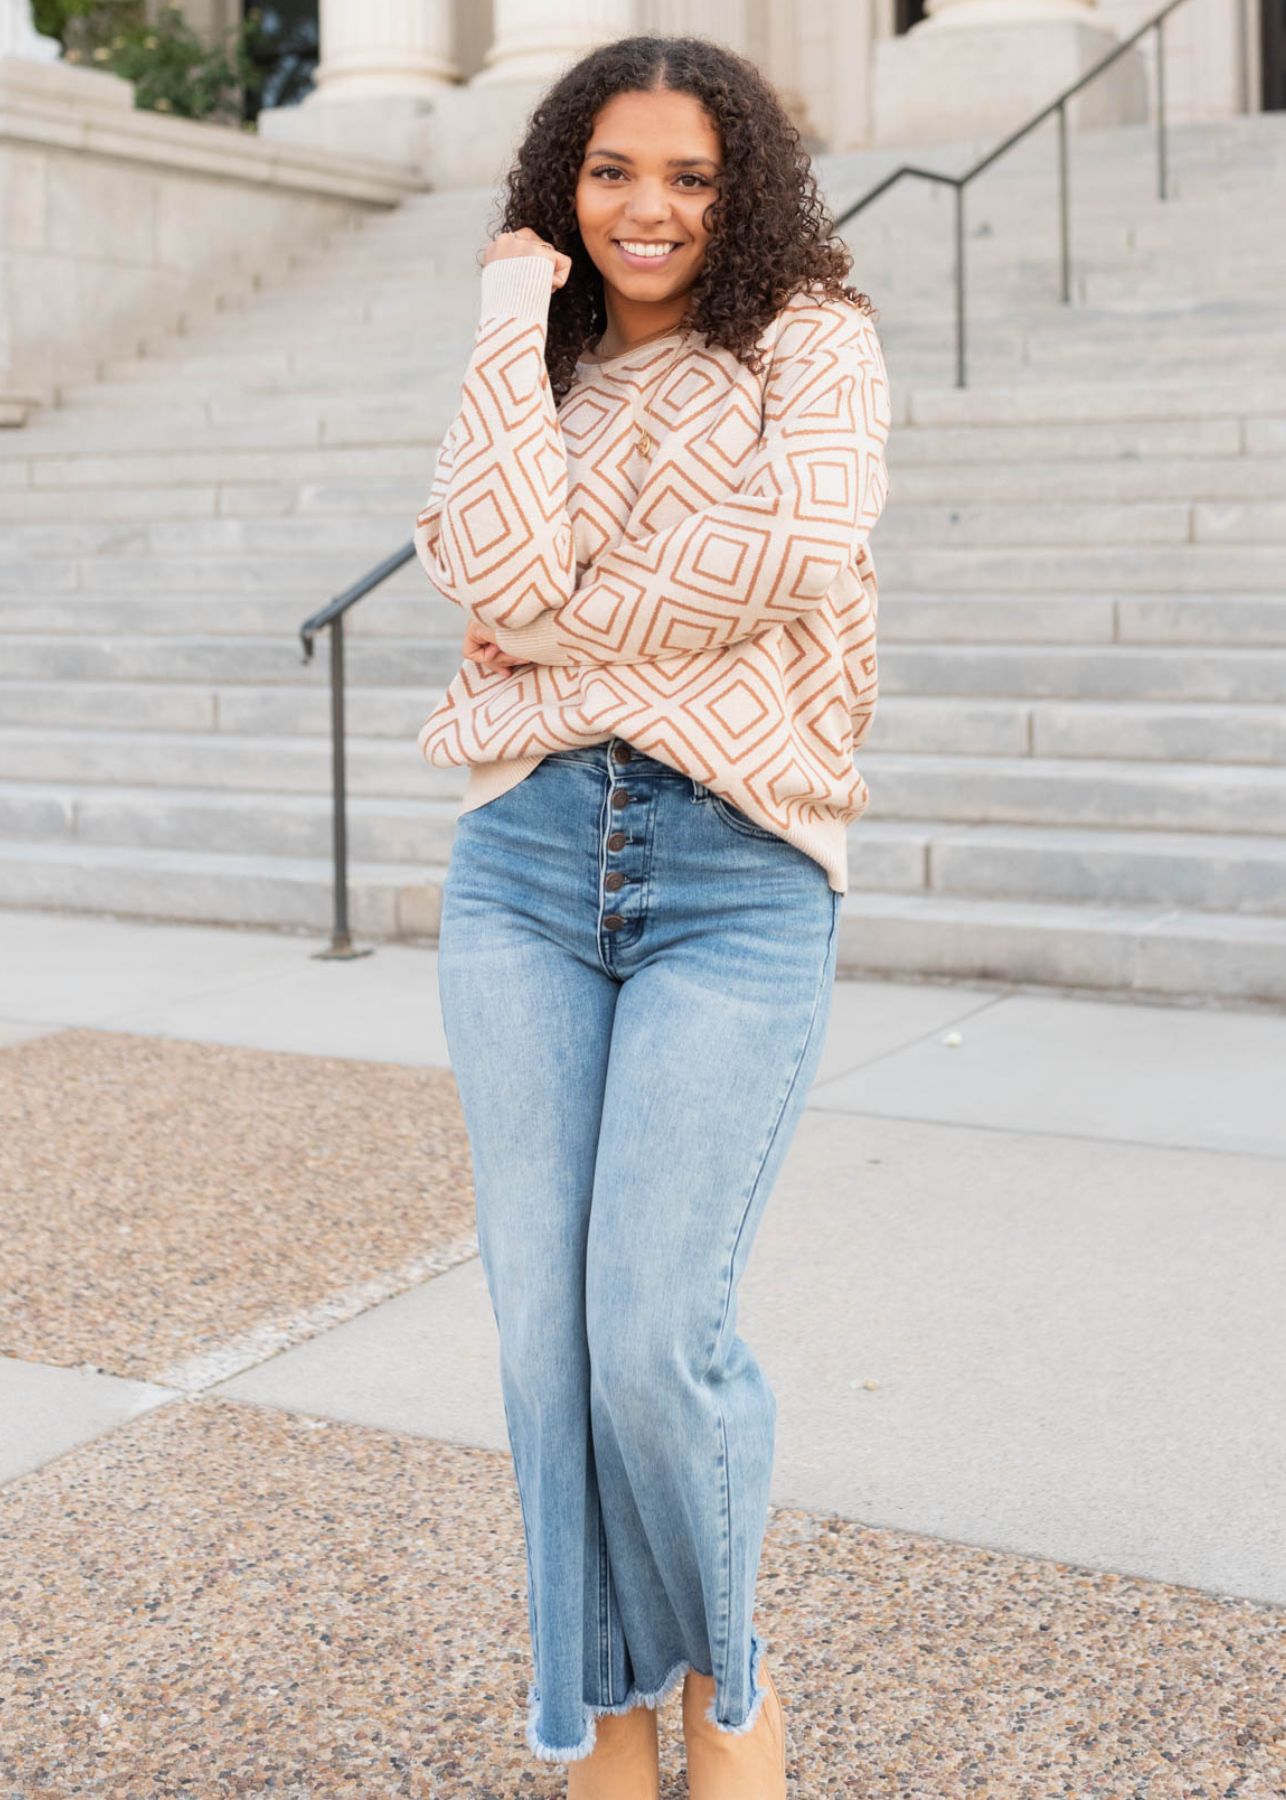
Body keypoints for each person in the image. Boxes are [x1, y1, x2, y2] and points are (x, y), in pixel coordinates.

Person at [412, 32, 890, 1799]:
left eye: (688, 175)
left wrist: (552, 630)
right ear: (564, 180)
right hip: (524, 869)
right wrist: (493, 318)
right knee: (544, 1345)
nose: (648, 208)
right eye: (614, 170)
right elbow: (477, 563)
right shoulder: (526, 365)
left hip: (734, 871)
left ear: (739, 187)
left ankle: (735, 1691)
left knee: (646, 1334)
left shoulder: (810, 343)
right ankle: (611, 1711)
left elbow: (800, 542)